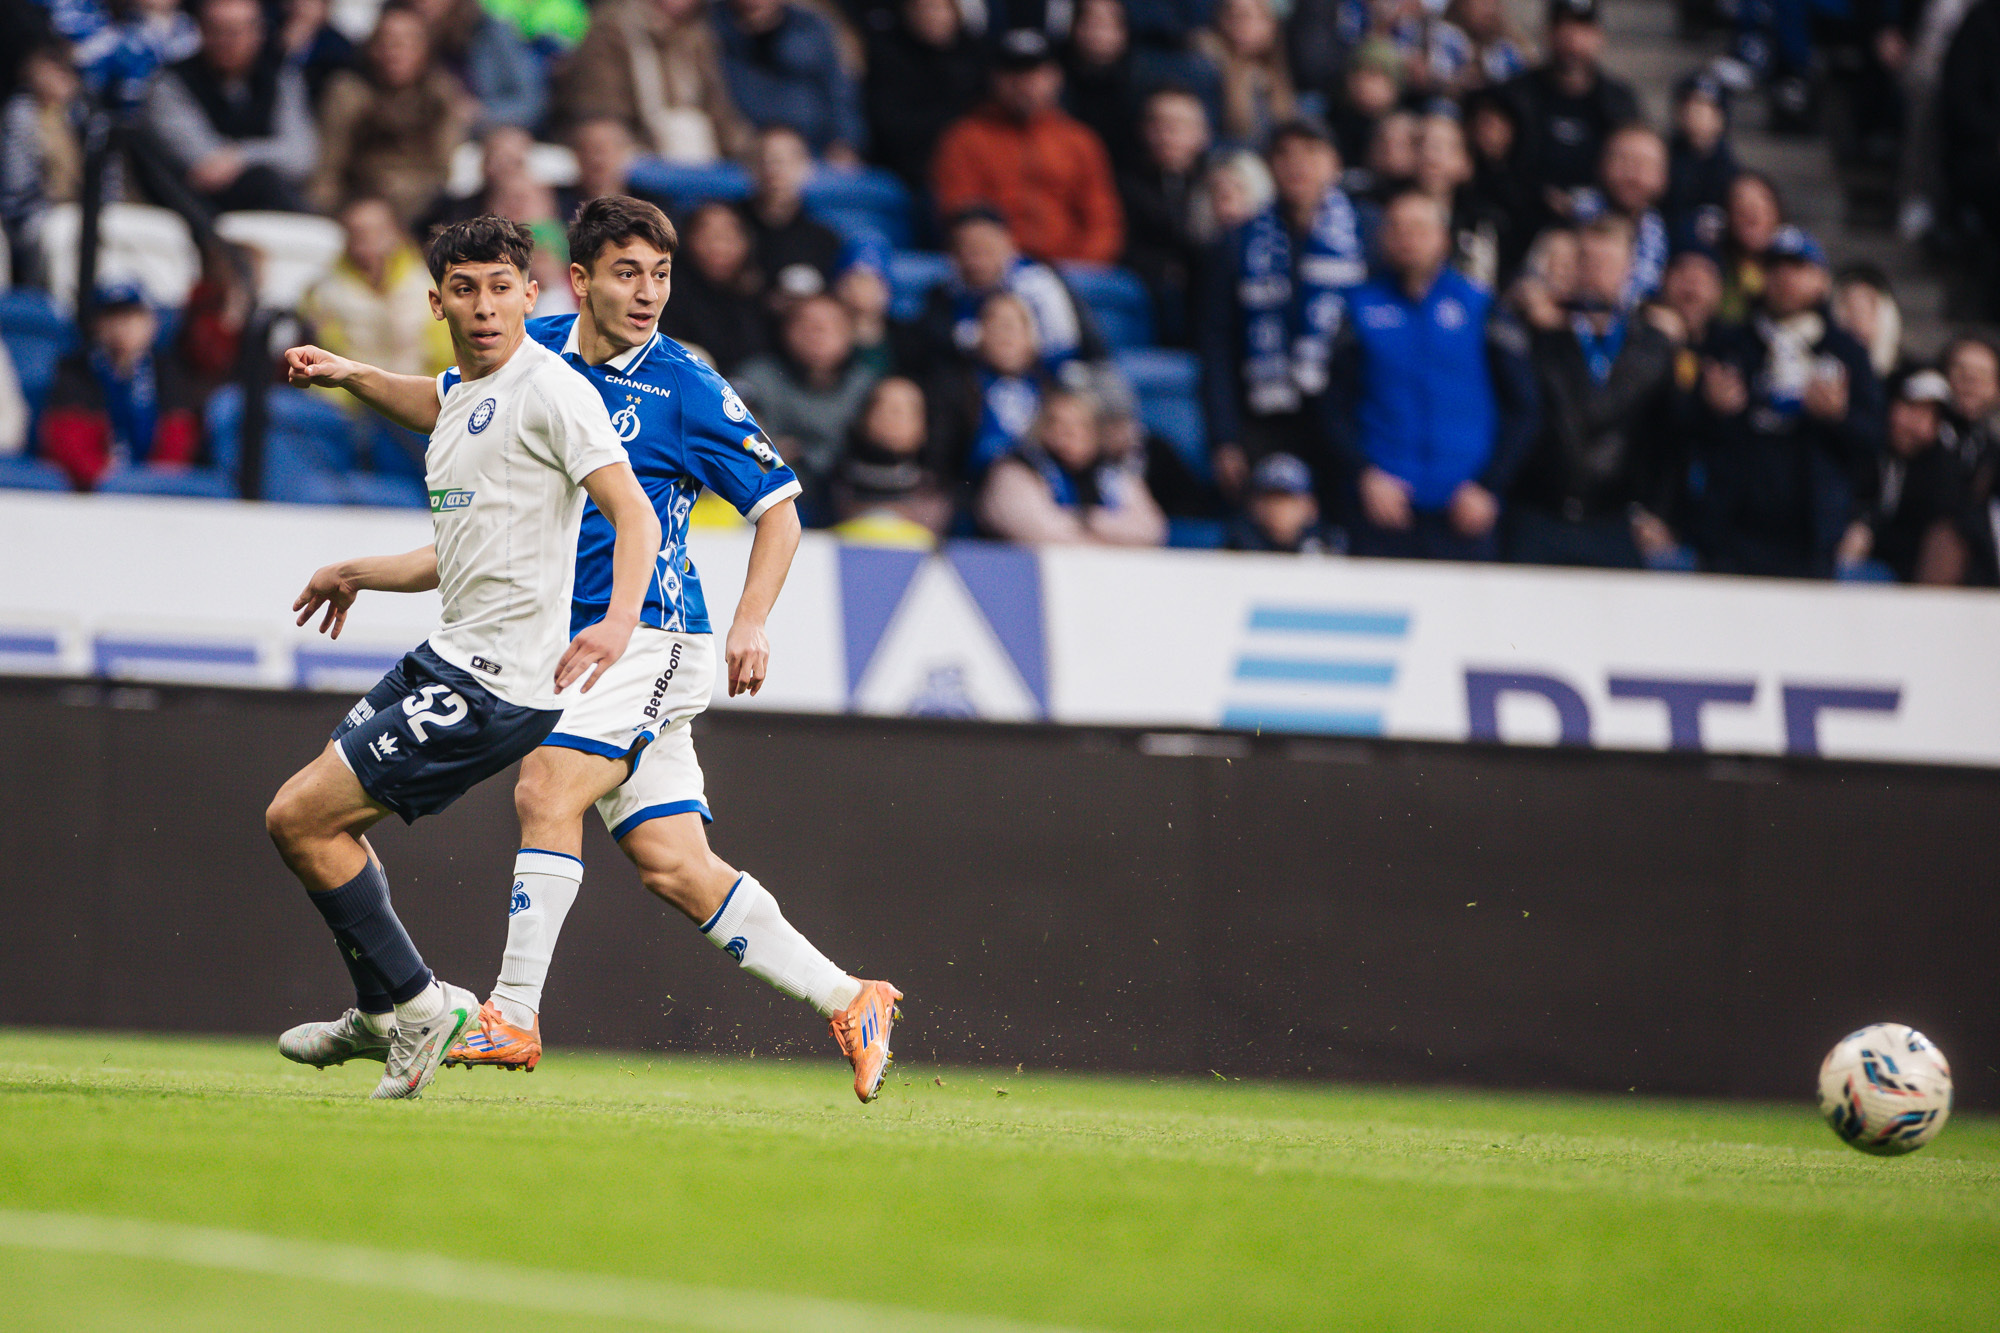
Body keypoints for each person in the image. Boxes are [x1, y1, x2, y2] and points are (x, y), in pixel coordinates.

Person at [267, 215, 662, 1100]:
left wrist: (619, 621)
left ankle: (419, 1003)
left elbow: (632, 513)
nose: (484, 307)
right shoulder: (469, 401)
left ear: (533, 294)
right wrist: (349, 378)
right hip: (444, 656)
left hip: (495, 683)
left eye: (500, 288)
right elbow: (454, 522)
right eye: (465, 289)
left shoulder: (553, 393)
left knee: (300, 818)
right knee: (327, 833)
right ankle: (380, 1011)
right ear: (436, 298)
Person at [1325, 190, 1539, 559]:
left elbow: (1524, 407)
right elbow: (1332, 406)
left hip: (1465, 510)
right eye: (1397, 228)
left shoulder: (1481, 307)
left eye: (1420, 229)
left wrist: (1488, 487)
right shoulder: (1359, 309)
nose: (1408, 238)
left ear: (1443, 238)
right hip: (1383, 509)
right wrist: (1365, 475)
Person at [1690, 226, 1884, 577]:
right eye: (1774, 267)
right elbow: (1684, 428)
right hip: (1732, 533)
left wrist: (1838, 417)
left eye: (1797, 268)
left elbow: (1873, 439)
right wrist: (1715, 411)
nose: (1784, 278)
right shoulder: (1729, 344)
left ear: (1822, 280)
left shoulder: (1847, 353)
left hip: (1810, 538)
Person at [1198, 117, 1366, 500]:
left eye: (1310, 152)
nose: (1297, 164)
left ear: (1335, 164)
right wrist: (1224, 437)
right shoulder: (1236, 242)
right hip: (1264, 421)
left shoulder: (1369, 234)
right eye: (1284, 154)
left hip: (1349, 419)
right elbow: (1217, 345)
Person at [1509, 214, 1681, 567]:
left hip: (1613, 520)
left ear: (1630, 268)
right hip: (1538, 514)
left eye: (1608, 260)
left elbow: (1672, 439)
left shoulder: (1653, 345)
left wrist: (1659, 512)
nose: (1596, 270)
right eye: (1586, 259)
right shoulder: (1537, 333)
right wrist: (1528, 311)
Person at [931, 28, 1124, 265]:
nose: (1024, 84)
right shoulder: (964, 138)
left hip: (1072, 270)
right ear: (995, 79)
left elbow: (1104, 223)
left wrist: (1079, 266)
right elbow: (960, 216)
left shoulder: (1080, 141)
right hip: (995, 271)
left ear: (1056, 78)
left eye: (1034, 73)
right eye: (1014, 73)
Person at [145, 0, 317, 214]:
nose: (227, 41)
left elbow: (300, 157)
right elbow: (205, 165)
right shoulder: (170, 83)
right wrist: (262, 154)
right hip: (193, 207)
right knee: (261, 182)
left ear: (259, 32)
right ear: (201, 30)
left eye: (236, 31)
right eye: (217, 30)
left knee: (267, 184)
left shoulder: (281, 77)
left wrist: (239, 156)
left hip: (273, 202)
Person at [311, 2, 475, 224]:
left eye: (405, 43)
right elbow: (329, 168)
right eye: (386, 43)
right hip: (361, 203)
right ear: (372, 48)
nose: (394, 52)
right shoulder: (349, 93)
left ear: (425, 49)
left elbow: (442, 166)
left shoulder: (441, 93)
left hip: (424, 208)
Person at [37, 285, 205, 490]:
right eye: (112, 316)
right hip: (91, 494)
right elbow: (68, 444)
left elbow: (179, 439)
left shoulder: (168, 371)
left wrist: (150, 483)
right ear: (97, 324)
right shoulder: (76, 371)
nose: (122, 326)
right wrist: (114, 482)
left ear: (150, 323)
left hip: (157, 494)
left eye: (132, 316)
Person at [732, 292, 881, 512]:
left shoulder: (869, 387)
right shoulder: (755, 378)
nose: (817, 333)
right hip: (765, 497)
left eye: (830, 325)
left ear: (850, 334)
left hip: (852, 502)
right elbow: (739, 444)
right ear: (786, 330)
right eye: (806, 324)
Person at [1500, 0, 1641, 229]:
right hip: (1523, 221)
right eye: (1564, 27)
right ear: (1548, 33)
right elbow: (1500, 169)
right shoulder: (1515, 96)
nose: (1573, 39)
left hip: (1603, 224)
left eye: (1582, 28)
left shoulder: (1620, 102)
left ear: (1598, 36)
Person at [556, 0, 751, 164]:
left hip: (695, 156)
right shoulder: (611, 28)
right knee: (602, 141)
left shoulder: (699, 36)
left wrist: (749, 150)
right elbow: (599, 105)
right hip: (633, 150)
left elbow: (719, 110)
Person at [915, 206, 1104, 376]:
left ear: (1007, 243)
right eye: (967, 248)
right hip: (971, 389)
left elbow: (1066, 346)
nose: (976, 258)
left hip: (1045, 381)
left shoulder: (1039, 282)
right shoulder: (942, 295)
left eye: (985, 247)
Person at [977, 387, 1167, 544]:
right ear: (1041, 427)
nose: (1070, 433)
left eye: (1081, 425)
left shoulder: (1113, 474)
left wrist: (1088, 520)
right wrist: (1110, 539)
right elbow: (1038, 533)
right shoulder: (1015, 469)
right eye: (1058, 424)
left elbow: (1151, 529)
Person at [1840, 368, 1976, 583]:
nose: (1917, 426)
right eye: (1912, 408)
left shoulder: (1942, 471)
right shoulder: (1860, 447)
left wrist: (1872, 537)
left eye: (1930, 416)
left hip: (1900, 583)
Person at [302, 196, 457, 380]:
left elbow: (445, 355)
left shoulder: (429, 285)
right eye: (357, 232)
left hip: (417, 391)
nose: (367, 240)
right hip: (348, 395)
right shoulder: (324, 292)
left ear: (397, 233)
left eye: (376, 231)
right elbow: (326, 352)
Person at [713, 0, 865, 161]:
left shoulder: (812, 26)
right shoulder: (710, 28)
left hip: (815, 152)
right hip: (739, 152)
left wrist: (846, 144)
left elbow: (841, 95)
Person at [1120, 86, 1213, 346]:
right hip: (1149, 291)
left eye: (1179, 125)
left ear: (1203, 133)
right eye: (1158, 123)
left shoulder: (1218, 185)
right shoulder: (1124, 186)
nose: (1167, 133)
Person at [864, 0, 987, 187]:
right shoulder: (887, 57)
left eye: (938, 8)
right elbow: (890, 128)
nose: (930, 16)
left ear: (955, 12)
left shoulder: (977, 55)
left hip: (974, 164)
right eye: (921, 9)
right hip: (911, 171)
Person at [831, 374, 955, 539]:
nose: (894, 416)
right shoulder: (834, 483)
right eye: (883, 406)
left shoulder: (935, 491)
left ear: (924, 426)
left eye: (907, 409)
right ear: (864, 417)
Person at [2, 45, 84, 288]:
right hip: (37, 214)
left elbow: (109, 174)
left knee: (168, 232)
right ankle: (64, 317)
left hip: (87, 209)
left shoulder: (85, 113)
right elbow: (16, 187)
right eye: (52, 69)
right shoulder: (20, 115)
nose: (60, 78)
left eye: (66, 71)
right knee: (62, 231)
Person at [657, 200, 770, 372]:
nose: (717, 245)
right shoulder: (664, 287)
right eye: (707, 235)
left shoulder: (758, 290)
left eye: (727, 236)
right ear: (686, 239)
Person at [740, 125, 844, 296]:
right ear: (748, 167)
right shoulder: (727, 228)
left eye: (786, 160)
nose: (773, 170)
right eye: (763, 160)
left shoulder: (825, 240)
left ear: (807, 168)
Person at [1192, 0, 1295, 147]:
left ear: (1271, 23)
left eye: (1246, 16)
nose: (1237, 25)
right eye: (1230, 16)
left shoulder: (1274, 77)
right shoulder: (1206, 68)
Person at [1591, 125, 1670, 306]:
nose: (1633, 174)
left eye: (1645, 164)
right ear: (1602, 164)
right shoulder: (1571, 222)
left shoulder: (1672, 235)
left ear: (1663, 176)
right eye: (1623, 160)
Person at [1064, 0, 1145, 169]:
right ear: (1074, 27)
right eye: (1090, 22)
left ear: (1124, 31)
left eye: (1107, 24)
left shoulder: (1141, 82)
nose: (1097, 33)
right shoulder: (1054, 77)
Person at [1664, 70, 1738, 250]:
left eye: (1703, 104)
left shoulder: (1733, 174)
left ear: (1720, 116)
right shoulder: (1661, 161)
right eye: (1687, 103)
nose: (1693, 110)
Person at [1226, 450, 1342, 551]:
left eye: (1288, 500)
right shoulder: (1232, 549)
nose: (1279, 509)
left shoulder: (1331, 550)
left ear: (1310, 506)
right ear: (1255, 506)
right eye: (1272, 500)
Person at [568, 116, 678, 213]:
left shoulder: (652, 207)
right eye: (586, 150)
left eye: (602, 150)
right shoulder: (557, 204)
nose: (595, 159)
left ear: (623, 153)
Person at [1717, 169, 1782, 323]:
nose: (1752, 209)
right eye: (1740, 202)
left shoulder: (1797, 256)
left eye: (1762, 201)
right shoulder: (1713, 265)